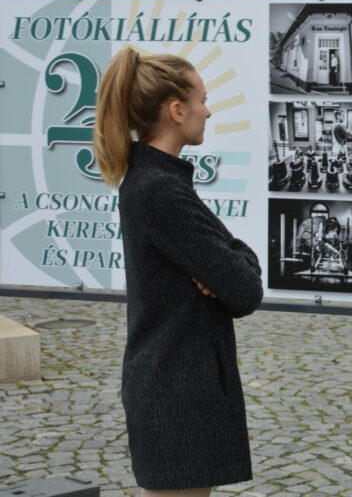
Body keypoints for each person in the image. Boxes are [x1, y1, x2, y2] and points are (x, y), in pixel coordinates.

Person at [93, 47, 264, 496]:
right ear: (175, 109)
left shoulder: (153, 181)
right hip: (177, 394)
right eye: (202, 99)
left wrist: (229, 261)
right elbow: (245, 289)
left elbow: (232, 272)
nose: (207, 111)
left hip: (172, 386)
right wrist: (234, 262)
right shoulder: (161, 191)